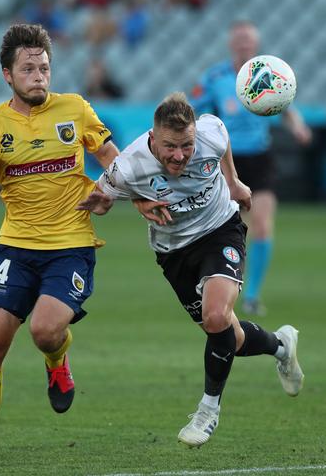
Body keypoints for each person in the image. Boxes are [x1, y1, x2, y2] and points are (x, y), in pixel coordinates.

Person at [0, 24, 119, 461]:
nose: (39, 76)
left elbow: (114, 159)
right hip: (14, 248)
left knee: (45, 330)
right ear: (7, 74)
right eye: (28, 68)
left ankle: (57, 362)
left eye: (44, 68)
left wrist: (110, 191)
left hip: (71, 243)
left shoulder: (76, 109)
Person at [78, 92, 304, 448]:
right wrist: (132, 202)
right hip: (174, 252)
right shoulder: (128, 167)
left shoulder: (211, 131)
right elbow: (103, 197)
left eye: (186, 144)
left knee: (217, 317)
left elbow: (224, 138)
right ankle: (280, 346)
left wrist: (233, 181)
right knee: (230, 336)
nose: (180, 155)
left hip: (220, 230)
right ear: (153, 137)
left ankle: (207, 410)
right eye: (170, 146)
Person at [190, 20, 312, 316]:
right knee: (223, 227)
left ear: (255, 45)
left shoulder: (268, 71)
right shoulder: (216, 76)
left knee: (261, 225)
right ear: (232, 43)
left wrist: (298, 126)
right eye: (240, 39)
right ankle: (216, 283)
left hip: (260, 158)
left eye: (249, 40)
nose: (244, 44)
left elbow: (286, 105)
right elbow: (194, 109)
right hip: (226, 159)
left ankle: (253, 295)